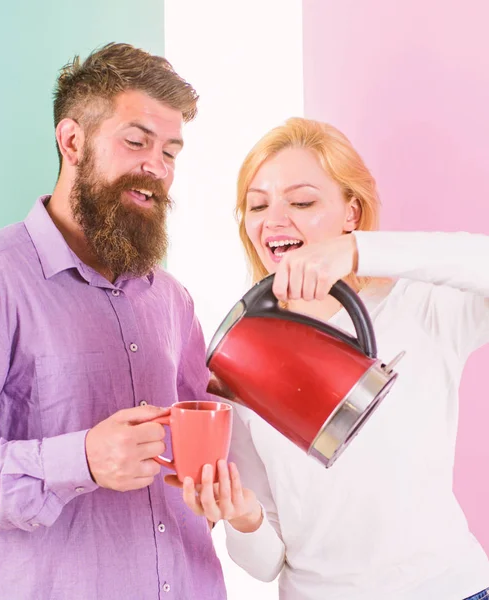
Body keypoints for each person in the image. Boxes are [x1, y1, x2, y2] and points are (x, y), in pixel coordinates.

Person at [180, 117, 489, 599]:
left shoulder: (424, 307)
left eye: (302, 202)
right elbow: (266, 563)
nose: (274, 220)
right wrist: (242, 517)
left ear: (351, 212)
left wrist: (359, 252)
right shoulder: (242, 361)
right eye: (257, 205)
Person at [0, 42, 226, 600]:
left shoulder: (172, 299)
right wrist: (79, 458)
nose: (156, 166)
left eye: (171, 151)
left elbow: (198, 450)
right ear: (72, 140)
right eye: (136, 142)